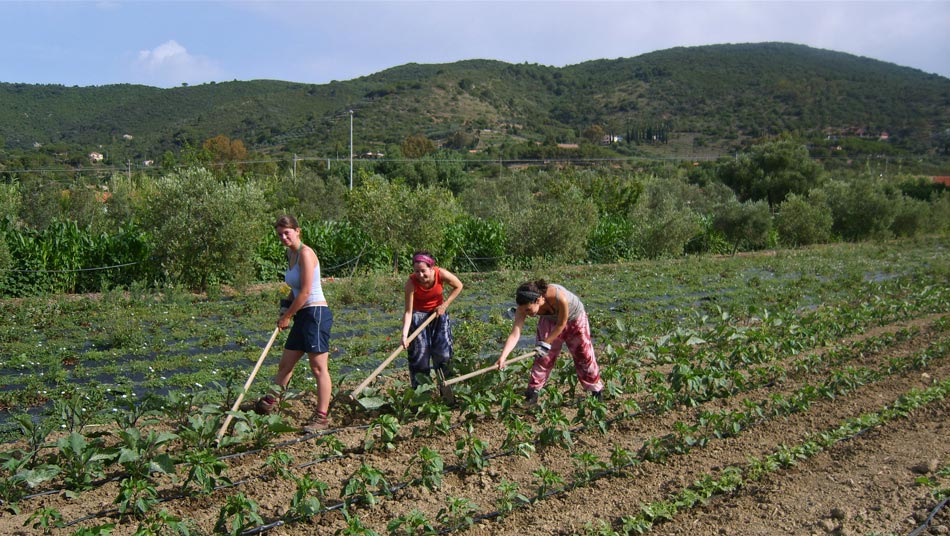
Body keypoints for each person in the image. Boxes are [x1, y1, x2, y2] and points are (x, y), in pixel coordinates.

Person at [255, 215, 334, 433]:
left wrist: (287, 316)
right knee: (285, 364)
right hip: (301, 313)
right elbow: (295, 288)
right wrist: (285, 306)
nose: (283, 237)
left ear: (297, 231)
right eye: (279, 234)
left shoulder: (306, 254)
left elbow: (307, 291)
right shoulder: (291, 253)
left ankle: (321, 417)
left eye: (287, 232)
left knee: (318, 368)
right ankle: (271, 403)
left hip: (315, 314)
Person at [496, 279, 603, 406]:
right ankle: (532, 394)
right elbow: (515, 333)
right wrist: (503, 357)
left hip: (574, 318)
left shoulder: (559, 297)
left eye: (529, 310)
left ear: (538, 300)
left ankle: (596, 393)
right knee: (542, 358)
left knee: (584, 356)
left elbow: (561, 324)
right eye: (524, 310)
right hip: (549, 321)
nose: (527, 314)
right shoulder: (522, 308)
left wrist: (545, 343)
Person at [401, 251, 463, 388]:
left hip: (438, 315)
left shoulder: (441, 274)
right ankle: (421, 394)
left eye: (423, 271)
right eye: (417, 271)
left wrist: (444, 305)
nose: (420, 275)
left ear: (431, 267)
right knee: (420, 357)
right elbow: (408, 312)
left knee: (444, 354)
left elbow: (459, 286)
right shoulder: (411, 284)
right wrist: (405, 335)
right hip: (418, 318)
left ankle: (447, 390)